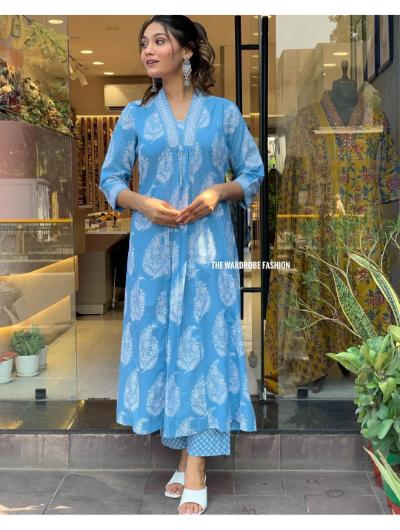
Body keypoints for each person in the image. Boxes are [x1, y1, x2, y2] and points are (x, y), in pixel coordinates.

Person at [99, 15, 265, 515]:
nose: (148, 50)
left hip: (208, 249)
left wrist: (218, 192)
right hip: (152, 253)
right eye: (144, 43)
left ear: (187, 50)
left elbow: (253, 172)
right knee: (168, 345)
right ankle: (186, 453)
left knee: (204, 345)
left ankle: (196, 467)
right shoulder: (135, 117)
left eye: (159, 41)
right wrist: (142, 203)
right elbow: (110, 179)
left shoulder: (223, 114)